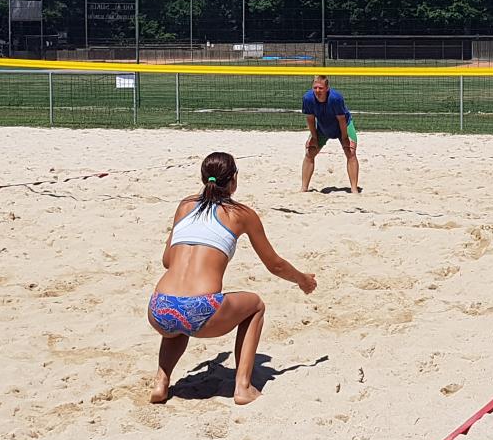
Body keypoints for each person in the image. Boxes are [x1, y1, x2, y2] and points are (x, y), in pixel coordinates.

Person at [148, 152, 317, 405]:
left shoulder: (184, 205)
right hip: (202, 310)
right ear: (234, 179)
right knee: (256, 305)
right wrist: (302, 280)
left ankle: (161, 382)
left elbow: (166, 260)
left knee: (178, 321)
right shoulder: (241, 214)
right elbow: (275, 265)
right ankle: (243, 386)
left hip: (159, 309)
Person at [301, 74, 360, 193]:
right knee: (310, 151)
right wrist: (314, 137)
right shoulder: (308, 98)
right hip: (323, 127)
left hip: (343, 126)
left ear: (327, 88)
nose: (317, 91)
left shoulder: (335, 98)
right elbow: (310, 119)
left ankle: (354, 188)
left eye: (320, 88)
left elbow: (342, 120)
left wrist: (344, 137)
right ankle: (304, 188)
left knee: (350, 151)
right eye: (315, 88)